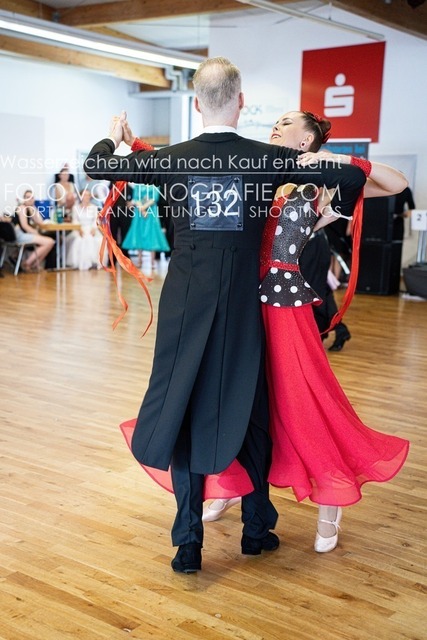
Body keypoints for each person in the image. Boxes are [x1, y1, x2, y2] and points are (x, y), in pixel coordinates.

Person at [84, 57, 367, 573]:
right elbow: (349, 176)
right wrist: (323, 196)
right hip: (242, 303)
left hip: (185, 305)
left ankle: (188, 543)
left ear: (196, 104)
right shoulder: (268, 158)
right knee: (251, 411)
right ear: (240, 101)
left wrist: (115, 136)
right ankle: (255, 530)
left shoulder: (171, 159)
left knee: (183, 411)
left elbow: (96, 165)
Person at [201, 110, 409, 552]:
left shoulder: (320, 184)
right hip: (242, 300)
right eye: (275, 120)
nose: (277, 125)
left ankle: (331, 498)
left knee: (300, 398)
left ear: (307, 139)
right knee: (239, 398)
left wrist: (335, 159)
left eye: (287, 121)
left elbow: (396, 183)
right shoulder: (261, 171)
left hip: (283, 304)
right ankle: (232, 481)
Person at [121, 183, 170, 270]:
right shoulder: (138, 185)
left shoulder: (155, 185)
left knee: (152, 234)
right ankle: (139, 260)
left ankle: (152, 261)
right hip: (139, 213)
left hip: (151, 212)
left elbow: (154, 198)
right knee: (139, 234)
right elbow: (136, 198)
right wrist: (142, 209)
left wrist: (144, 207)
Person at [11, 189, 55, 271]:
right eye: (27, 197)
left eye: (32, 197)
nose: (30, 199)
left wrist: (33, 209)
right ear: (24, 198)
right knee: (50, 242)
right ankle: (27, 263)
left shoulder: (29, 209)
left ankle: (33, 265)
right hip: (19, 235)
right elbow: (25, 226)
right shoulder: (22, 208)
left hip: (21, 234)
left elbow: (40, 222)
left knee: (50, 242)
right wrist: (37, 233)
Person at [66, 190, 104, 270]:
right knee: (79, 240)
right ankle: (81, 263)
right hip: (80, 228)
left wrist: (94, 228)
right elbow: (75, 220)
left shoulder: (94, 207)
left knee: (98, 240)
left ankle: (95, 262)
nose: (86, 197)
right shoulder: (75, 208)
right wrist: (79, 229)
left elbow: (96, 220)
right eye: (84, 195)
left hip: (91, 228)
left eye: (88, 195)